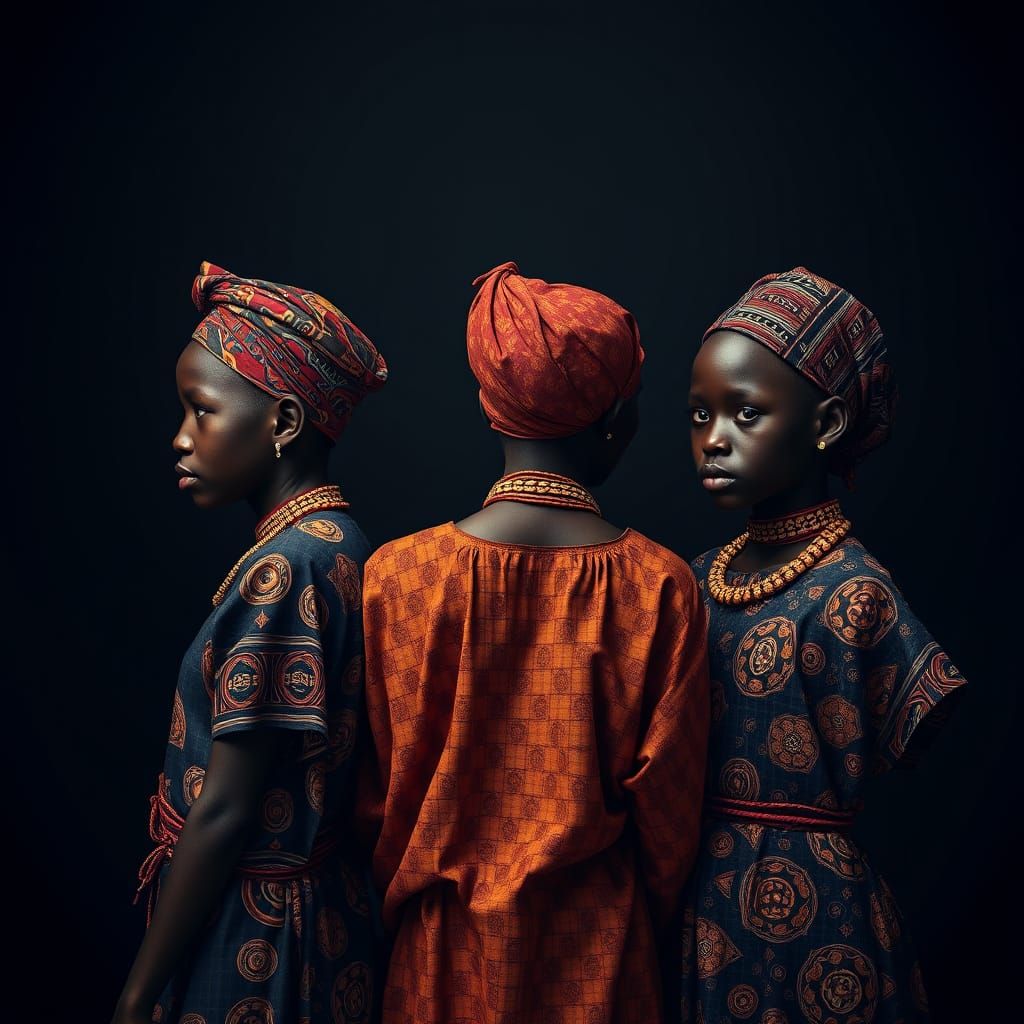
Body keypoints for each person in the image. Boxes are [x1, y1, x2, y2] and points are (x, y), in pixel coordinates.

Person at [358, 261, 711, 1024]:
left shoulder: (397, 577)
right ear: (616, 423)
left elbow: (377, 798)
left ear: (494, 410)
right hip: (601, 963)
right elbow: (671, 828)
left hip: (437, 962)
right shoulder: (659, 587)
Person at [678, 267, 967, 1023]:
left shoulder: (858, 593)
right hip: (702, 909)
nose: (714, 440)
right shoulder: (693, 581)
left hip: (823, 925)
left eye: (745, 413)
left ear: (827, 422)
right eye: (699, 415)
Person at [112, 261, 388, 1024]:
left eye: (201, 411)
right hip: (318, 913)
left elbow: (227, 812)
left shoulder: (284, 568)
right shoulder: (340, 541)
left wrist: (136, 996)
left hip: (259, 934)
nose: (180, 438)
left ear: (285, 423)